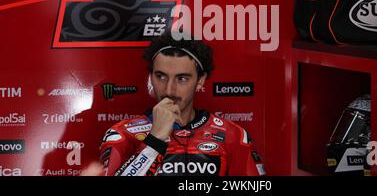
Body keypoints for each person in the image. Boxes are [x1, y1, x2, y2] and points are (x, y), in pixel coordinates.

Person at [99, 33, 265, 176]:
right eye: (161, 76)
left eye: (182, 78)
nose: (169, 90)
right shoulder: (122, 135)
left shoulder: (232, 135)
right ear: (151, 77)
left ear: (200, 81)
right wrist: (154, 140)